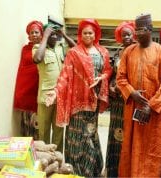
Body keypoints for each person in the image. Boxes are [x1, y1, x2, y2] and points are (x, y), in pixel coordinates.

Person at [45, 18, 112, 177]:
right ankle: (74, 171)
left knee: (90, 136)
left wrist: (101, 78)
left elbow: (108, 70)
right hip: (77, 104)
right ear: (80, 35)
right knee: (76, 139)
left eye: (90, 33)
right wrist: (55, 92)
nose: (88, 36)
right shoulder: (74, 53)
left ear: (95, 34)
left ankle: (91, 171)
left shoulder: (103, 51)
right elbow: (65, 76)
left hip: (93, 103)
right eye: (85, 33)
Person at [116, 13, 161, 177]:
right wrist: (131, 92)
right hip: (132, 108)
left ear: (150, 30)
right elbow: (121, 77)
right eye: (137, 30)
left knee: (150, 149)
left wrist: (152, 105)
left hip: (153, 114)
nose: (138, 33)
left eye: (142, 29)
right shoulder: (128, 52)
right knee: (130, 146)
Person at [33, 19, 76, 152]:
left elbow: (76, 48)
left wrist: (63, 34)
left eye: (55, 34)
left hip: (61, 95)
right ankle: (44, 158)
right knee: (44, 130)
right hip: (45, 97)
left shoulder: (60, 48)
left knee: (58, 131)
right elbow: (37, 59)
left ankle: (56, 159)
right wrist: (44, 36)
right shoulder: (37, 48)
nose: (54, 36)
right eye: (51, 34)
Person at [105, 21, 135, 178]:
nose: (127, 37)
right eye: (124, 35)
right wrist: (111, 86)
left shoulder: (138, 53)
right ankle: (112, 170)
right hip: (116, 101)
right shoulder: (117, 53)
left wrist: (123, 88)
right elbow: (113, 74)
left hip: (129, 100)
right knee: (114, 132)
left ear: (134, 35)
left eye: (129, 34)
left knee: (127, 134)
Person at [13, 20, 43, 140]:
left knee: (38, 123)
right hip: (26, 90)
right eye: (32, 32)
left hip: (39, 89)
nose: (34, 35)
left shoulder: (44, 48)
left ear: (41, 34)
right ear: (28, 35)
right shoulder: (25, 49)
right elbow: (23, 71)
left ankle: (38, 148)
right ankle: (26, 149)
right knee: (26, 122)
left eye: (37, 32)